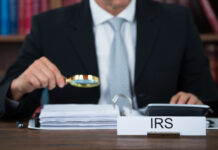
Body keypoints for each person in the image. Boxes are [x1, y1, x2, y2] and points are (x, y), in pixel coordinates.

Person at [0, 0, 217, 119]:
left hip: (157, 139)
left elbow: (207, 98)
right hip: (75, 143)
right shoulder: (47, 26)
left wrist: (196, 103)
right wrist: (17, 88)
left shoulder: (178, 21)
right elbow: (10, 103)